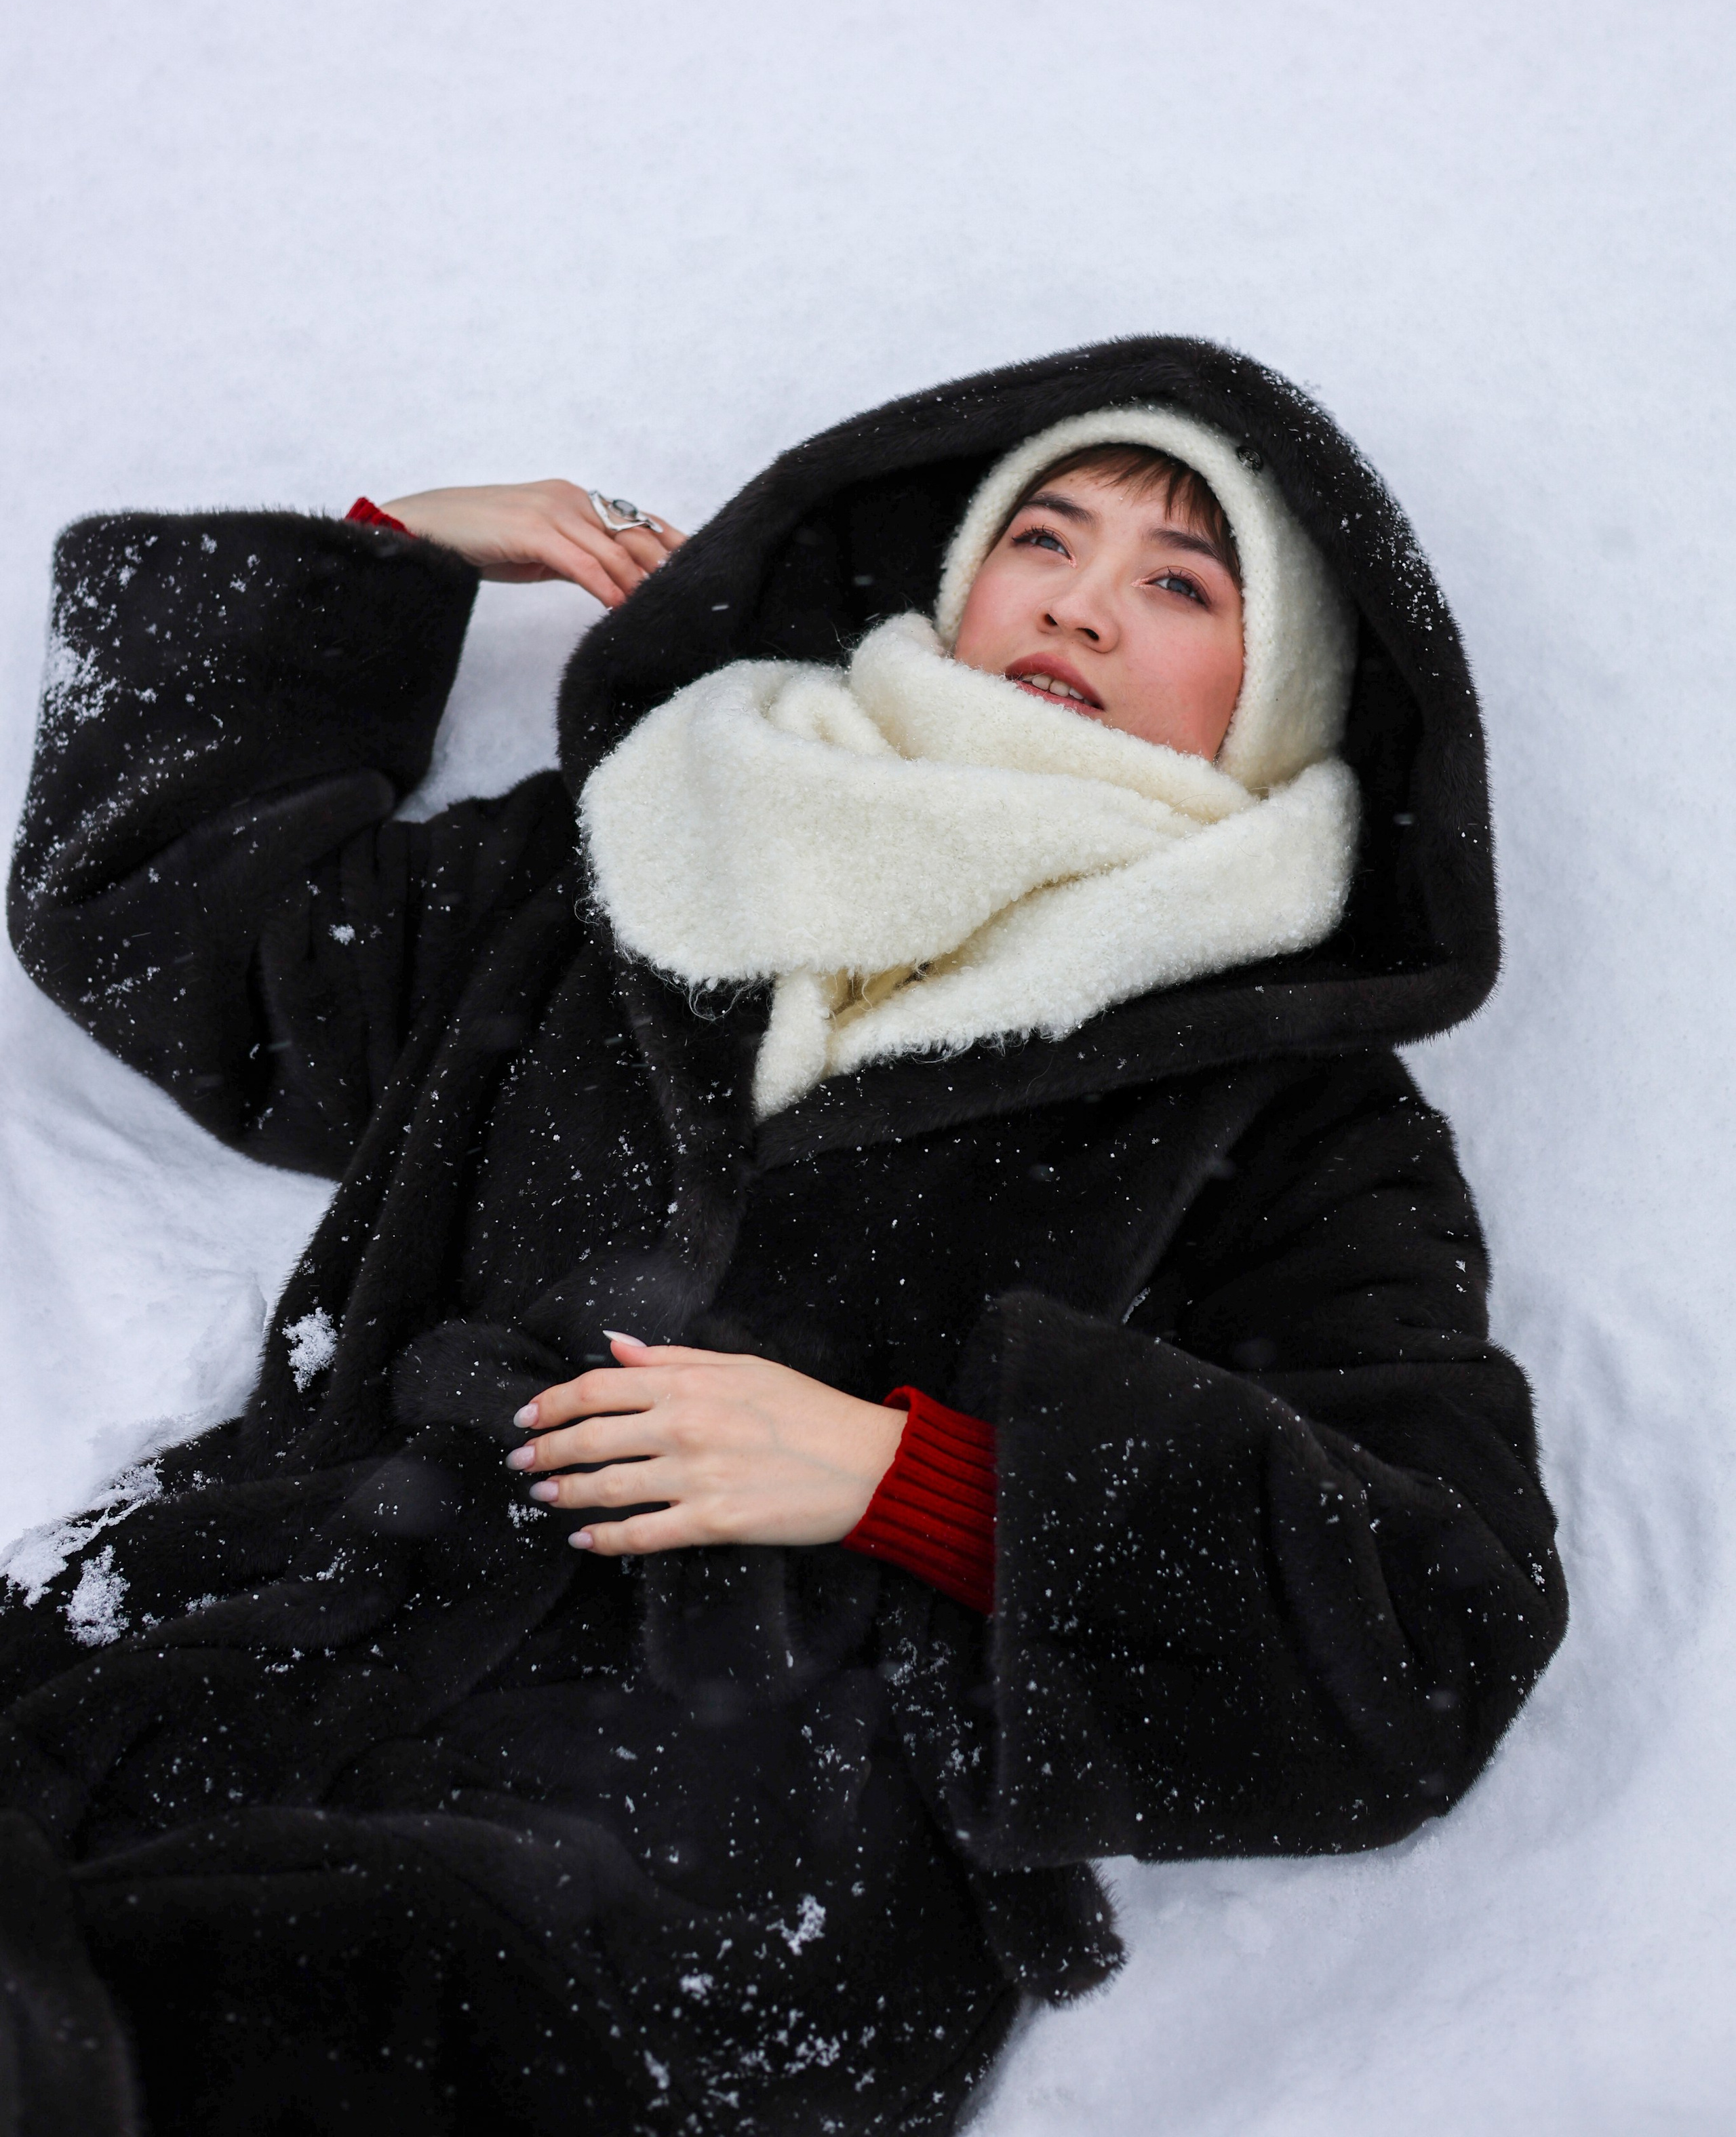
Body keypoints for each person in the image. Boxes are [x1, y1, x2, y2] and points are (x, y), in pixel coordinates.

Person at [0, 335, 1566, 2136]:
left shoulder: (1289, 1100)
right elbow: (186, 923)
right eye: (1043, 537)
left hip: (709, 1851)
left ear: (1282, 685)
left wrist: (914, 1480)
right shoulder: (657, 857)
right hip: (258, 1643)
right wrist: (387, 550)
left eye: (1181, 583)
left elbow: (1424, 1628)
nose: (1082, 603)